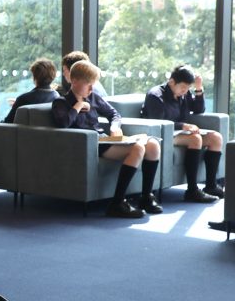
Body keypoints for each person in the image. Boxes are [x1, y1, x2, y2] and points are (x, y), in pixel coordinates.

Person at [51, 60, 162, 218]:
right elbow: (63, 123)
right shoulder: (61, 102)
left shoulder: (93, 97)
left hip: (103, 139)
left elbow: (114, 114)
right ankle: (117, 203)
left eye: (93, 85)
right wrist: (77, 106)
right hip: (88, 145)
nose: (91, 89)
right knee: (138, 148)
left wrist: (114, 127)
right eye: (88, 84)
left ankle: (146, 197)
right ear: (74, 81)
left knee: (153, 145)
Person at [141, 66, 224, 202]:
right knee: (195, 139)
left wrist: (198, 89)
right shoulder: (155, 95)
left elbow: (198, 109)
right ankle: (192, 190)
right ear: (172, 82)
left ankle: (211, 186)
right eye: (183, 87)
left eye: (187, 88)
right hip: (160, 134)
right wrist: (184, 125)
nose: (185, 91)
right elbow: (159, 122)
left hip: (180, 132)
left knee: (215, 138)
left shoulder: (183, 95)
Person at [3, 58, 59, 123]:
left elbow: (7, 124)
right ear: (53, 76)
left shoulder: (23, 99)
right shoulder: (56, 97)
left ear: (34, 77)